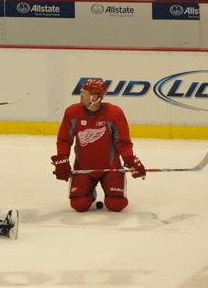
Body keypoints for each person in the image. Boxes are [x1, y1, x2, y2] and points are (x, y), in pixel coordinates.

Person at [50, 78, 146, 213]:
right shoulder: (72, 112)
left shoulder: (114, 113)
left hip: (110, 169)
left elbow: (123, 142)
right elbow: (64, 139)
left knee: (116, 205)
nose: (81, 95)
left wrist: (130, 160)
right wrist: (62, 158)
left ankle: (106, 188)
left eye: (84, 93)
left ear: (95, 97)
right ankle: (90, 192)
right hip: (83, 168)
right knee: (79, 205)